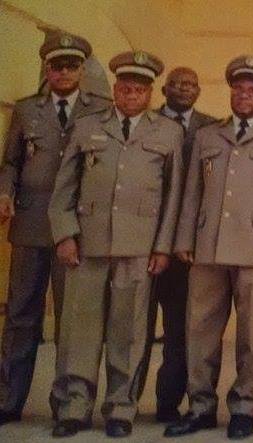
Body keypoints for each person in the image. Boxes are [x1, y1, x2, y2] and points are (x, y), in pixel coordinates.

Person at [164, 55, 253, 440]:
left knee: (251, 335)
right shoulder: (209, 135)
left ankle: (243, 407)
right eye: (238, 89)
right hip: (207, 247)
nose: (243, 95)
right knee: (200, 331)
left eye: (252, 90)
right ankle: (200, 406)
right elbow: (192, 192)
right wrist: (184, 238)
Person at [47, 50, 183, 438]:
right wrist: (65, 234)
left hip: (139, 247)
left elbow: (173, 196)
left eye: (139, 90)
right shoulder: (88, 126)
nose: (131, 95)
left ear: (150, 93)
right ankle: (74, 406)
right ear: (115, 89)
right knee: (80, 329)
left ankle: (121, 407)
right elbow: (64, 187)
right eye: (125, 88)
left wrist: (162, 247)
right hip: (87, 245)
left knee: (129, 332)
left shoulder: (168, 133)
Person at [0, 32, 108, 427]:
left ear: (82, 70)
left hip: (77, 228)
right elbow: (11, 161)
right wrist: (5, 193)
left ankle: (69, 405)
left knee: (72, 320)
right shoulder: (27, 109)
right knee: (21, 314)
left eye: (71, 66)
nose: (63, 72)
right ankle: (8, 399)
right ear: (47, 70)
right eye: (56, 66)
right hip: (31, 224)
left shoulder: (101, 111)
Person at [145, 65, 217, 423]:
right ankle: (127, 402)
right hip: (147, 239)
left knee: (183, 328)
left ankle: (173, 402)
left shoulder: (211, 128)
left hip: (190, 245)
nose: (184, 89)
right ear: (164, 89)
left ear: (199, 91)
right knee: (139, 328)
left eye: (191, 84)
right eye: (176, 84)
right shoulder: (146, 123)